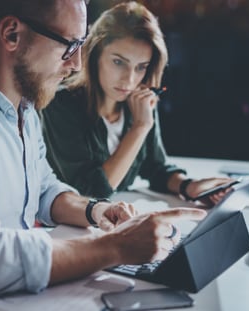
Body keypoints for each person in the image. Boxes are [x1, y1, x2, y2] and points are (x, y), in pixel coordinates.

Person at [0, 0, 207, 308]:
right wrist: (113, 247)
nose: (77, 64)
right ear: (12, 34)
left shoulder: (24, 107)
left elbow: (43, 189)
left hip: (4, 293)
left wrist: (97, 211)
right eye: (69, 46)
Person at [41, 1, 234, 203]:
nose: (130, 80)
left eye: (141, 67)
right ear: (95, 55)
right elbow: (91, 191)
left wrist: (189, 186)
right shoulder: (60, 104)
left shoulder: (139, 100)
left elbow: (156, 168)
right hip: (69, 226)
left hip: (119, 214)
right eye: (118, 62)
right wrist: (140, 128)